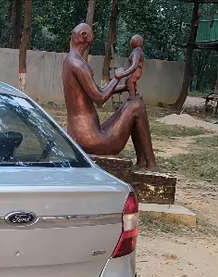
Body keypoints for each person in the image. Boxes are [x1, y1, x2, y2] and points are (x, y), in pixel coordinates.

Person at [61, 24, 156, 170]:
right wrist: (117, 77)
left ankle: (143, 162)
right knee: (137, 105)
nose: (94, 36)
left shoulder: (70, 61)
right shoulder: (78, 64)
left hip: (82, 135)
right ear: (84, 35)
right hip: (90, 140)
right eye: (92, 33)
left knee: (131, 105)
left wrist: (124, 87)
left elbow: (98, 91)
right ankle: (150, 164)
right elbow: (100, 98)